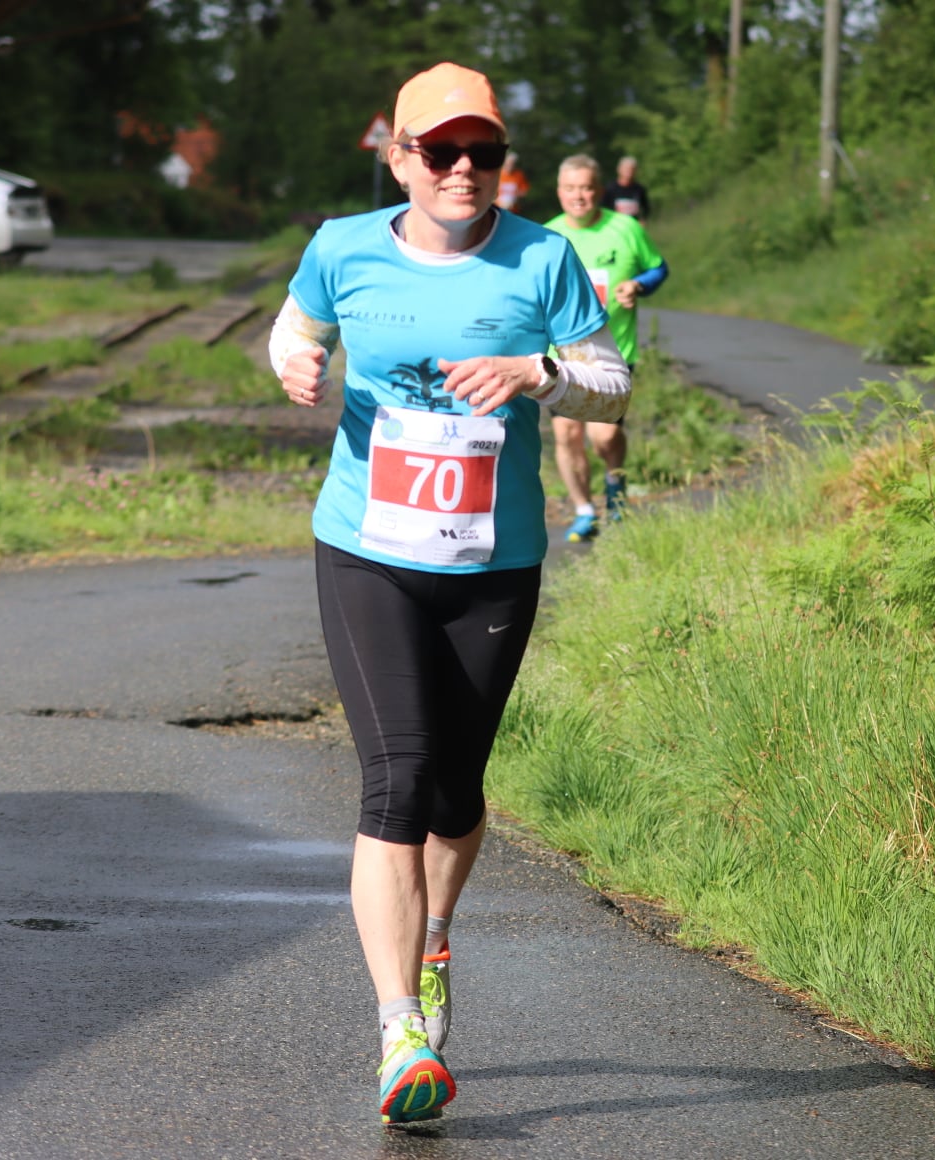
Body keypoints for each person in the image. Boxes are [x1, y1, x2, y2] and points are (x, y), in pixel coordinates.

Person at [268, 62, 630, 1126]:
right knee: (397, 777)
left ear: (503, 162)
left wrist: (536, 375)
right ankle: (400, 1032)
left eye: (482, 151)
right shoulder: (342, 246)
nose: (462, 168)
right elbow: (294, 330)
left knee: (457, 788)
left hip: (492, 561)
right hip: (367, 547)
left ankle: (432, 939)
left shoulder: (543, 257)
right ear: (401, 158)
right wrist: (295, 365)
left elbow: (612, 380)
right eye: (440, 151)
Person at [546, 154, 669, 541]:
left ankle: (615, 486)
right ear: (559, 192)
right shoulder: (545, 237)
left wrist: (638, 285)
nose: (578, 196)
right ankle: (584, 510)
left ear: (600, 190)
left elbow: (658, 267)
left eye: (586, 188)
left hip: (612, 353)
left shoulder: (625, 227)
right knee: (567, 435)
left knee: (604, 438)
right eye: (570, 188)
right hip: (560, 357)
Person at [602, 154, 650, 222]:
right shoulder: (610, 189)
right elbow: (603, 208)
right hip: (616, 224)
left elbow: (646, 208)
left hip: (633, 225)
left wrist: (643, 220)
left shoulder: (639, 189)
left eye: (632, 170)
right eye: (627, 169)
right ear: (619, 169)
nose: (629, 172)